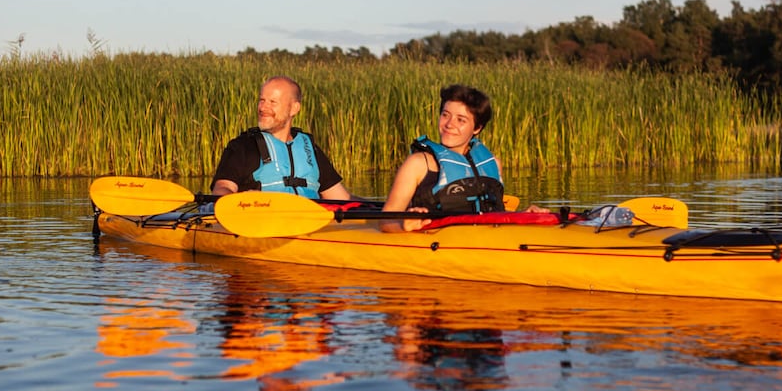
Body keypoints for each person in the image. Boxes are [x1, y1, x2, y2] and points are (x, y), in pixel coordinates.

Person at [381, 84, 544, 232]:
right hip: (436, 246)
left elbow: (493, 215)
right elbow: (386, 222)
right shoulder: (418, 163)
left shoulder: (493, 163)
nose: (449, 124)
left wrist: (522, 216)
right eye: (445, 115)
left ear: (477, 128)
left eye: (461, 120)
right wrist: (404, 228)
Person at [210, 75, 352, 200]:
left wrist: (373, 209)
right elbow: (222, 189)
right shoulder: (243, 146)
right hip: (261, 222)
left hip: (308, 223)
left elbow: (341, 199)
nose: (263, 108)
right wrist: (242, 199)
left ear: (294, 108)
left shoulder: (309, 148)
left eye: (272, 102)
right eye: (262, 100)